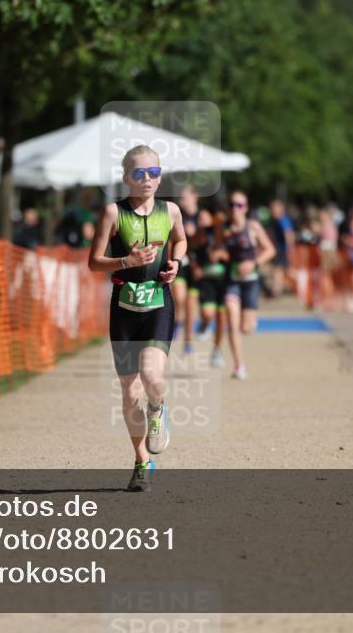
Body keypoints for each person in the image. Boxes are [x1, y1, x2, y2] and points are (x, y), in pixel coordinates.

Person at [88, 145, 187, 492]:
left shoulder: (171, 210)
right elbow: (94, 262)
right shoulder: (113, 213)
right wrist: (125, 262)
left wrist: (176, 263)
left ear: (161, 176)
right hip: (124, 308)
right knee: (129, 390)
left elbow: (181, 240)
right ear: (126, 177)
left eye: (154, 173)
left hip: (158, 303)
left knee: (151, 376)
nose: (148, 180)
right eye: (140, 173)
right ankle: (142, 461)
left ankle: (158, 409)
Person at [219, 190, 276, 380]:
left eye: (240, 205)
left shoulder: (253, 227)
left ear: (246, 208)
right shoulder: (223, 228)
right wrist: (218, 254)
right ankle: (239, 365)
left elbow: (270, 250)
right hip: (232, 280)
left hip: (251, 281)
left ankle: (251, 322)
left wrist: (254, 263)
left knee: (246, 328)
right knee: (232, 320)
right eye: (232, 205)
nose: (235, 209)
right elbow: (217, 248)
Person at [191, 199, 229, 368]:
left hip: (225, 279)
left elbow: (235, 256)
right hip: (206, 279)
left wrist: (223, 255)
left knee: (221, 318)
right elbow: (189, 249)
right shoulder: (204, 232)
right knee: (208, 314)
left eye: (222, 219)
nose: (219, 221)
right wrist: (196, 267)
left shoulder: (229, 233)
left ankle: (216, 352)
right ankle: (204, 325)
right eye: (217, 218)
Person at [171, 185, 201, 354]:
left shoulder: (202, 217)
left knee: (191, 307)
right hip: (181, 263)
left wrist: (197, 234)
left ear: (195, 197)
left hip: (196, 268)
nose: (183, 200)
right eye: (181, 198)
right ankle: (176, 323)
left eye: (186, 197)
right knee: (179, 298)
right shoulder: (178, 217)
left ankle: (188, 340)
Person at [267, 198, 296, 299]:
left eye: (273, 208)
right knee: (280, 272)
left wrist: (290, 250)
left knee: (278, 271)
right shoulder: (278, 221)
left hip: (283, 251)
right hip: (280, 250)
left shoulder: (283, 220)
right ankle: (277, 291)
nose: (272, 211)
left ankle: (276, 292)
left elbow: (289, 234)